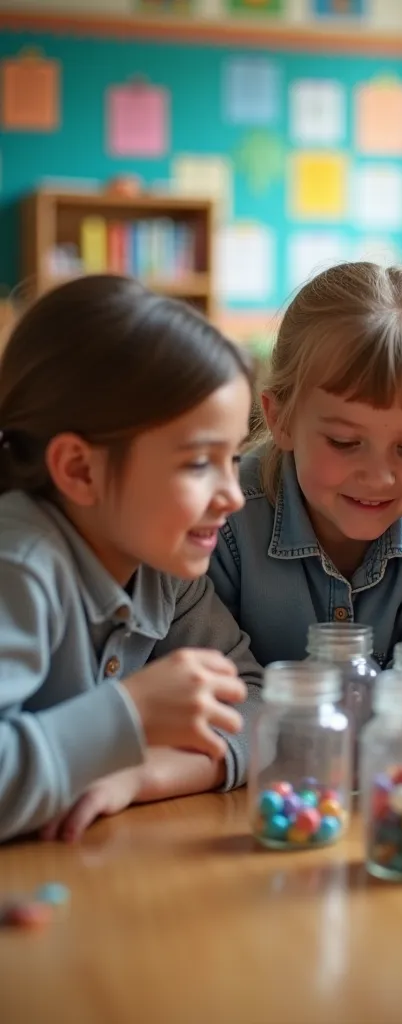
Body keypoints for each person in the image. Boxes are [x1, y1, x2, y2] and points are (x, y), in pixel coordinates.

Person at [0, 274, 262, 842]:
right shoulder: (18, 565)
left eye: (235, 458)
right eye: (198, 463)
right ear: (79, 470)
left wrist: (142, 773)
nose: (234, 496)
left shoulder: (163, 566)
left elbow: (254, 703)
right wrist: (131, 713)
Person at [209, 262, 402, 693]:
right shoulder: (226, 513)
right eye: (343, 441)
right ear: (280, 418)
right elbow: (214, 681)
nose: (378, 478)